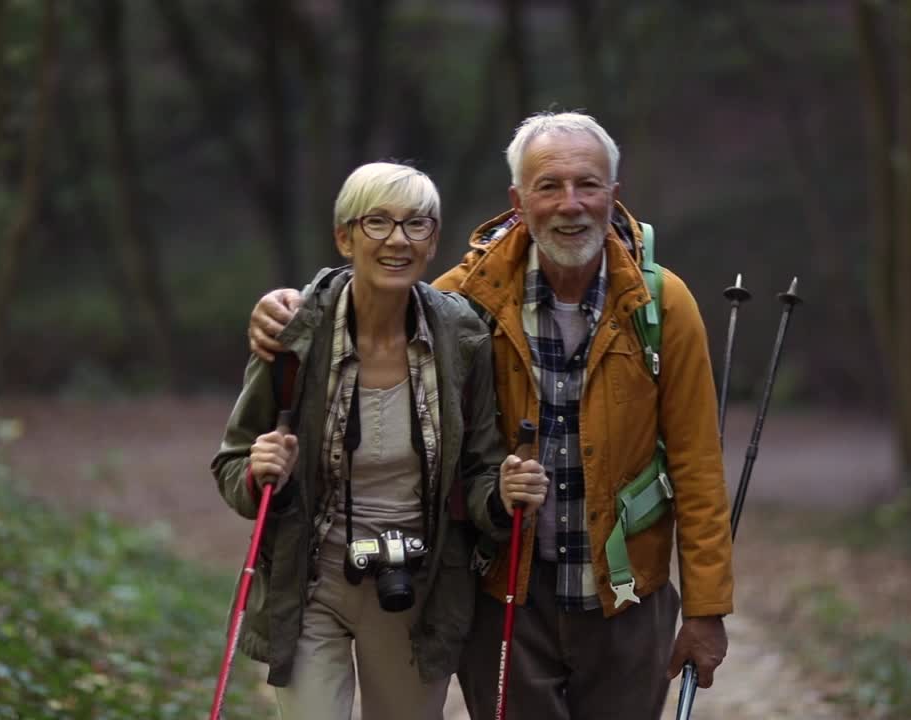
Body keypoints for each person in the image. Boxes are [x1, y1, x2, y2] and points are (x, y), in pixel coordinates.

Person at [247, 113, 734, 719]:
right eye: (548, 186)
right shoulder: (464, 300)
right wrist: (286, 309)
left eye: (588, 185)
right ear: (518, 199)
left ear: (614, 194)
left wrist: (706, 610)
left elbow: (697, 463)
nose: (570, 204)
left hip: (627, 599)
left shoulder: (664, 304)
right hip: (504, 595)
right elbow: (373, 293)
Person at [211, 162, 511, 720]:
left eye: (416, 225)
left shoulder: (463, 337)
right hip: (309, 580)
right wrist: (259, 471)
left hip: (414, 588)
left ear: (433, 240)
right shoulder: (296, 332)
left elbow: (479, 472)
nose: (397, 240)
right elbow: (232, 463)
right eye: (377, 222)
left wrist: (501, 497)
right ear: (344, 237)